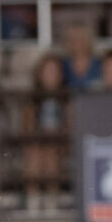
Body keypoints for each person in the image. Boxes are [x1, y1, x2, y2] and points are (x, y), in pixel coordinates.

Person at [23, 55, 68, 211]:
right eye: (47, 71)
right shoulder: (32, 99)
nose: (50, 76)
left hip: (60, 144)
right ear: (40, 74)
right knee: (35, 153)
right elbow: (28, 127)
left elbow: (70, 126)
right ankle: (33, 199)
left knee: (51, 154)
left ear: (60, 75)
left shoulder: (67, 99)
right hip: (39, 142)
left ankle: (51, 199)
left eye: (54, 72)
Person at [60, 23, 102, 89]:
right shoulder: (62, 65)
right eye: (73, 38)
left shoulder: (100, 64)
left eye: (81, 38)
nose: (77, 42)